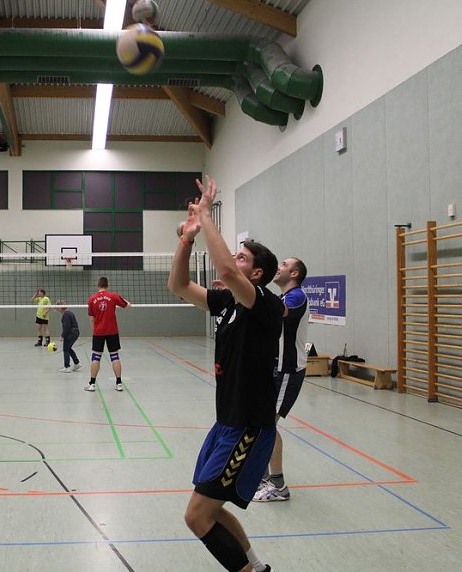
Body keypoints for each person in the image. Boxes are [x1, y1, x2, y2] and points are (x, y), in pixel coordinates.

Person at [167, 175, 283, 572]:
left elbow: (227, 272)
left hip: (249, 425)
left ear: (257, 274)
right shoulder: (228, 302)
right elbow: (178, 284)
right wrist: (187, 239)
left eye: (243, 257)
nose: (234, 259)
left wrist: (205, 215)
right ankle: (257, 567)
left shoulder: (264, 303)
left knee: (196, 516)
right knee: (211, 510)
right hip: (226, 423)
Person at [253, 257, 309, 503]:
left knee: (267, 425)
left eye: (284, 265)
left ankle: (278, 486)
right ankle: (263, 477)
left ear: (294, 273)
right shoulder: (282, 297)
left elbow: (273, 309)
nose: (278, 267)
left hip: (288, 370)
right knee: (260, 423)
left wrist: (249, 286)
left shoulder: (296, 297)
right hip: (274, 369)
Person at [85, 277, 131, 392]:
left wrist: (94, 330)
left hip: (98, 332)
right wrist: (127, 302)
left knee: (96, 357)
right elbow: (127, 305)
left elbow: (91, 318)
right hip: (112, 331)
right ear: (107, 285)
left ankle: (92, 384)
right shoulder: (113, 296)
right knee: (115, 356)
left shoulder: (92, 299)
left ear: (98, 285)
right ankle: (119, 384)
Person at [56, 300, 82, 373]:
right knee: (68, 348)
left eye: (57, 308)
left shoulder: (66, 314)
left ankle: (66, 367)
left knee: (65, 349)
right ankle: (77, 363)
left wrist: (62, 336)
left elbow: (66, 327)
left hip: (71, 333)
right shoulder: (69, 313)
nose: (57, 310)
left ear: (60, 307)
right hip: (75, 332)